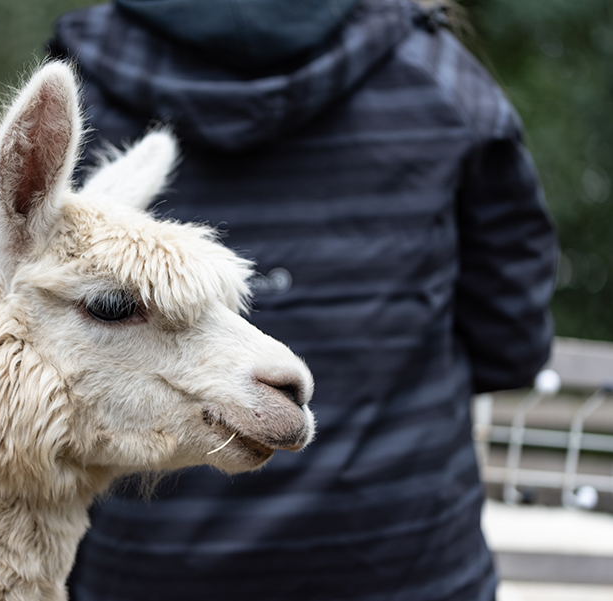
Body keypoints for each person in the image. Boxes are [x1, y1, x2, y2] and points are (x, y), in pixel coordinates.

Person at [48, 0, 557, 599]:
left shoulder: (84, 77)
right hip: (403, 560)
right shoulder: (438, 79)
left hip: (142, 565)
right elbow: (512, 342)